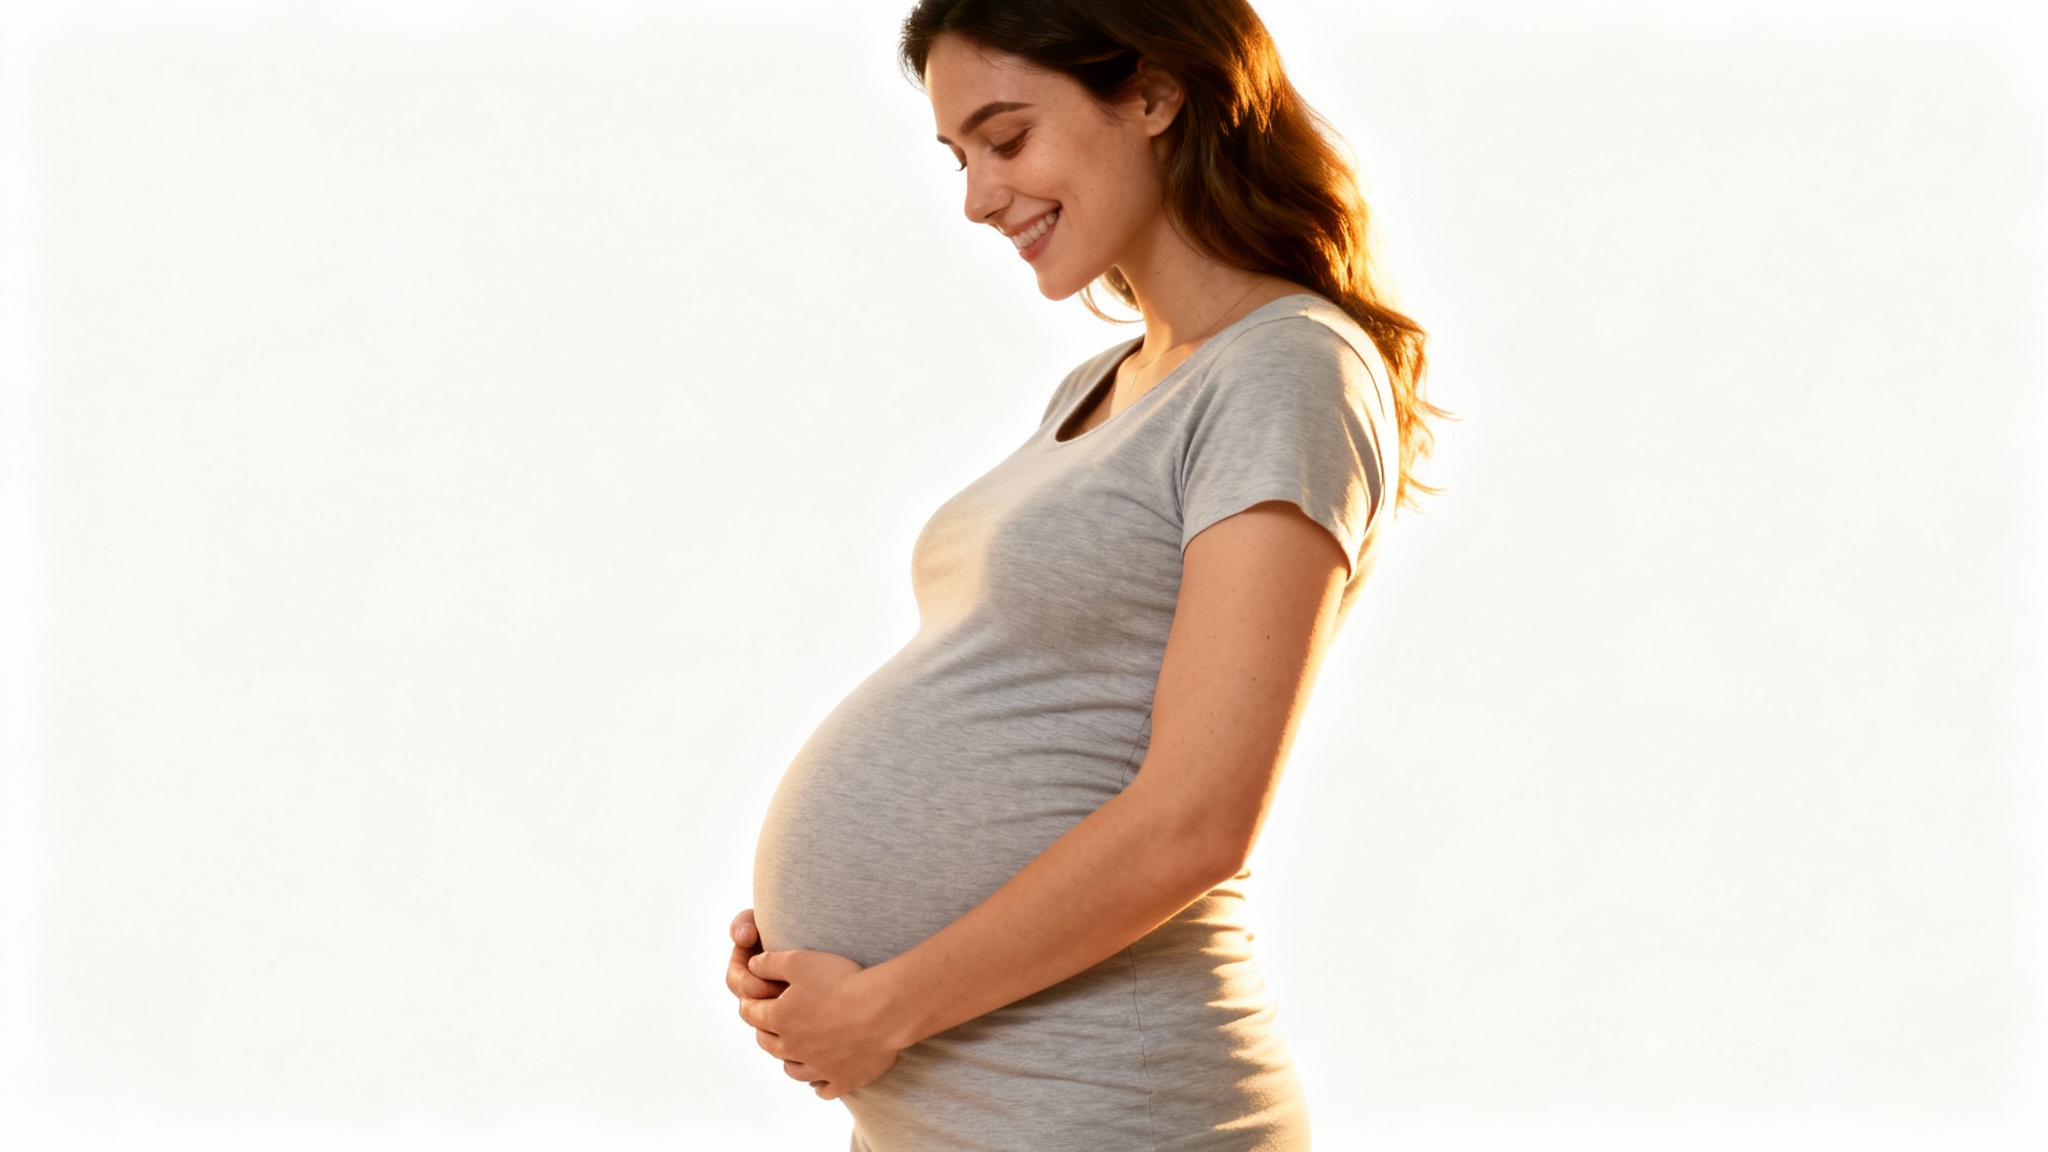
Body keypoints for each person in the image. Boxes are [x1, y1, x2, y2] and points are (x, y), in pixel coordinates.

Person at [724, 0, 1445, 1146]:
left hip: (1106, 1104)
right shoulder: (1104, 385)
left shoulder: (1285, 370)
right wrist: (821, 946)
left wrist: (885, 1000)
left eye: (1006, 139)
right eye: (959, 156)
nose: (975, 196)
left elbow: (1199, 818)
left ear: (1154, 93)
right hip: (949, 1102)